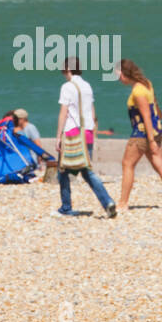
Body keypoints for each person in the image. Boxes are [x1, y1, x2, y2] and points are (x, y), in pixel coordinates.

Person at [55, 58, 116, 217]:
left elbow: (64, 113)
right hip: (87, 133)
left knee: (62, 171)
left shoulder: (67, 87)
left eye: (63, 70)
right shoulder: (87, 86)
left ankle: (66, 207)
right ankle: (107, 202)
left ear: (68, 69)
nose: (63, 74)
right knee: (87, 171)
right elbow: (92, 111)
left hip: (72, 133)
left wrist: (58, 137)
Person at [115, 58, 162, 211]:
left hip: (142, 133)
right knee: (160, 164)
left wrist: (151, 141)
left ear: (124, 74)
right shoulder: (146, 83)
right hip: (156, 130)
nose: (117, 78)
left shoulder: (137, 91)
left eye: (118, 75)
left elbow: (146, 116)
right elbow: (155, 105)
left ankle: (123, 203)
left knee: (127, 164)